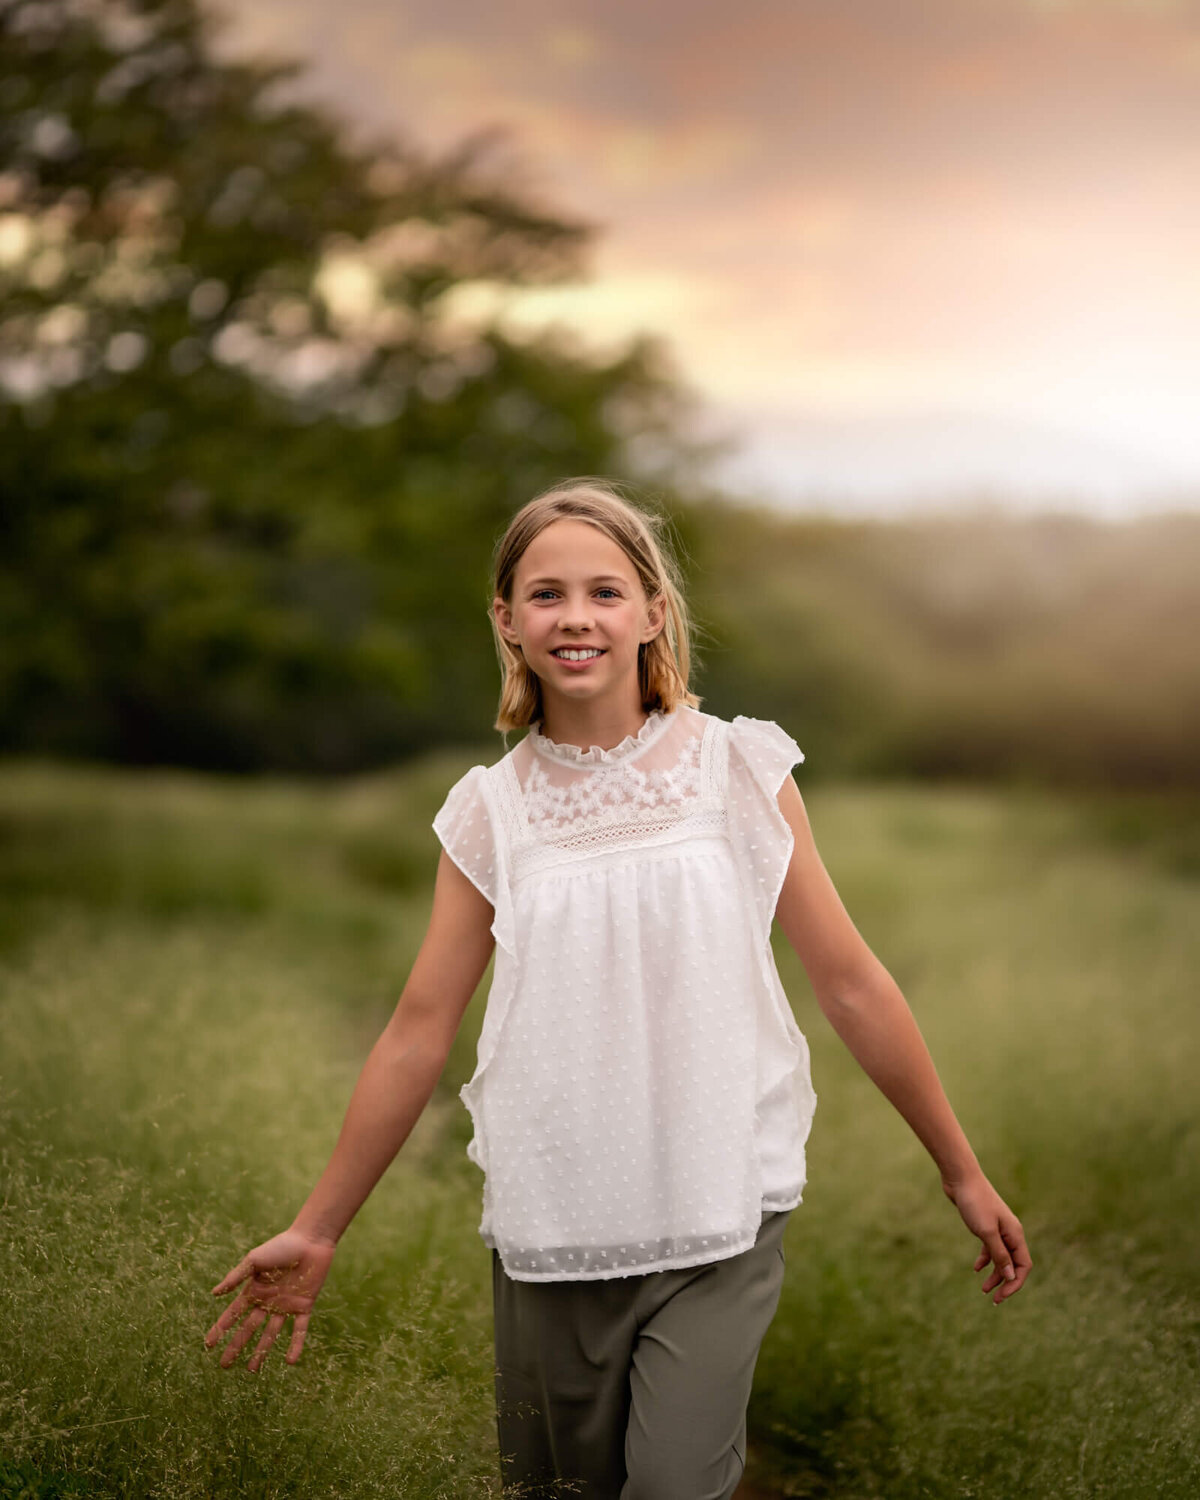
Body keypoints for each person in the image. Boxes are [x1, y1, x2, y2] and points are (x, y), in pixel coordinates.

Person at [206, 478, 1032, 1498]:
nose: (578, 617)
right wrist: (320, 1226)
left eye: (605, 591)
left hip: (720, 1202)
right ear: (507, 621)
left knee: (675, 1483)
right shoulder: (487, 815)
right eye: (546, 594)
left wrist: (960, 1169)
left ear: (651, 611)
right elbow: (418, 1033)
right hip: (553, 1221)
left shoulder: (739, 768)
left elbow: (852, 983)